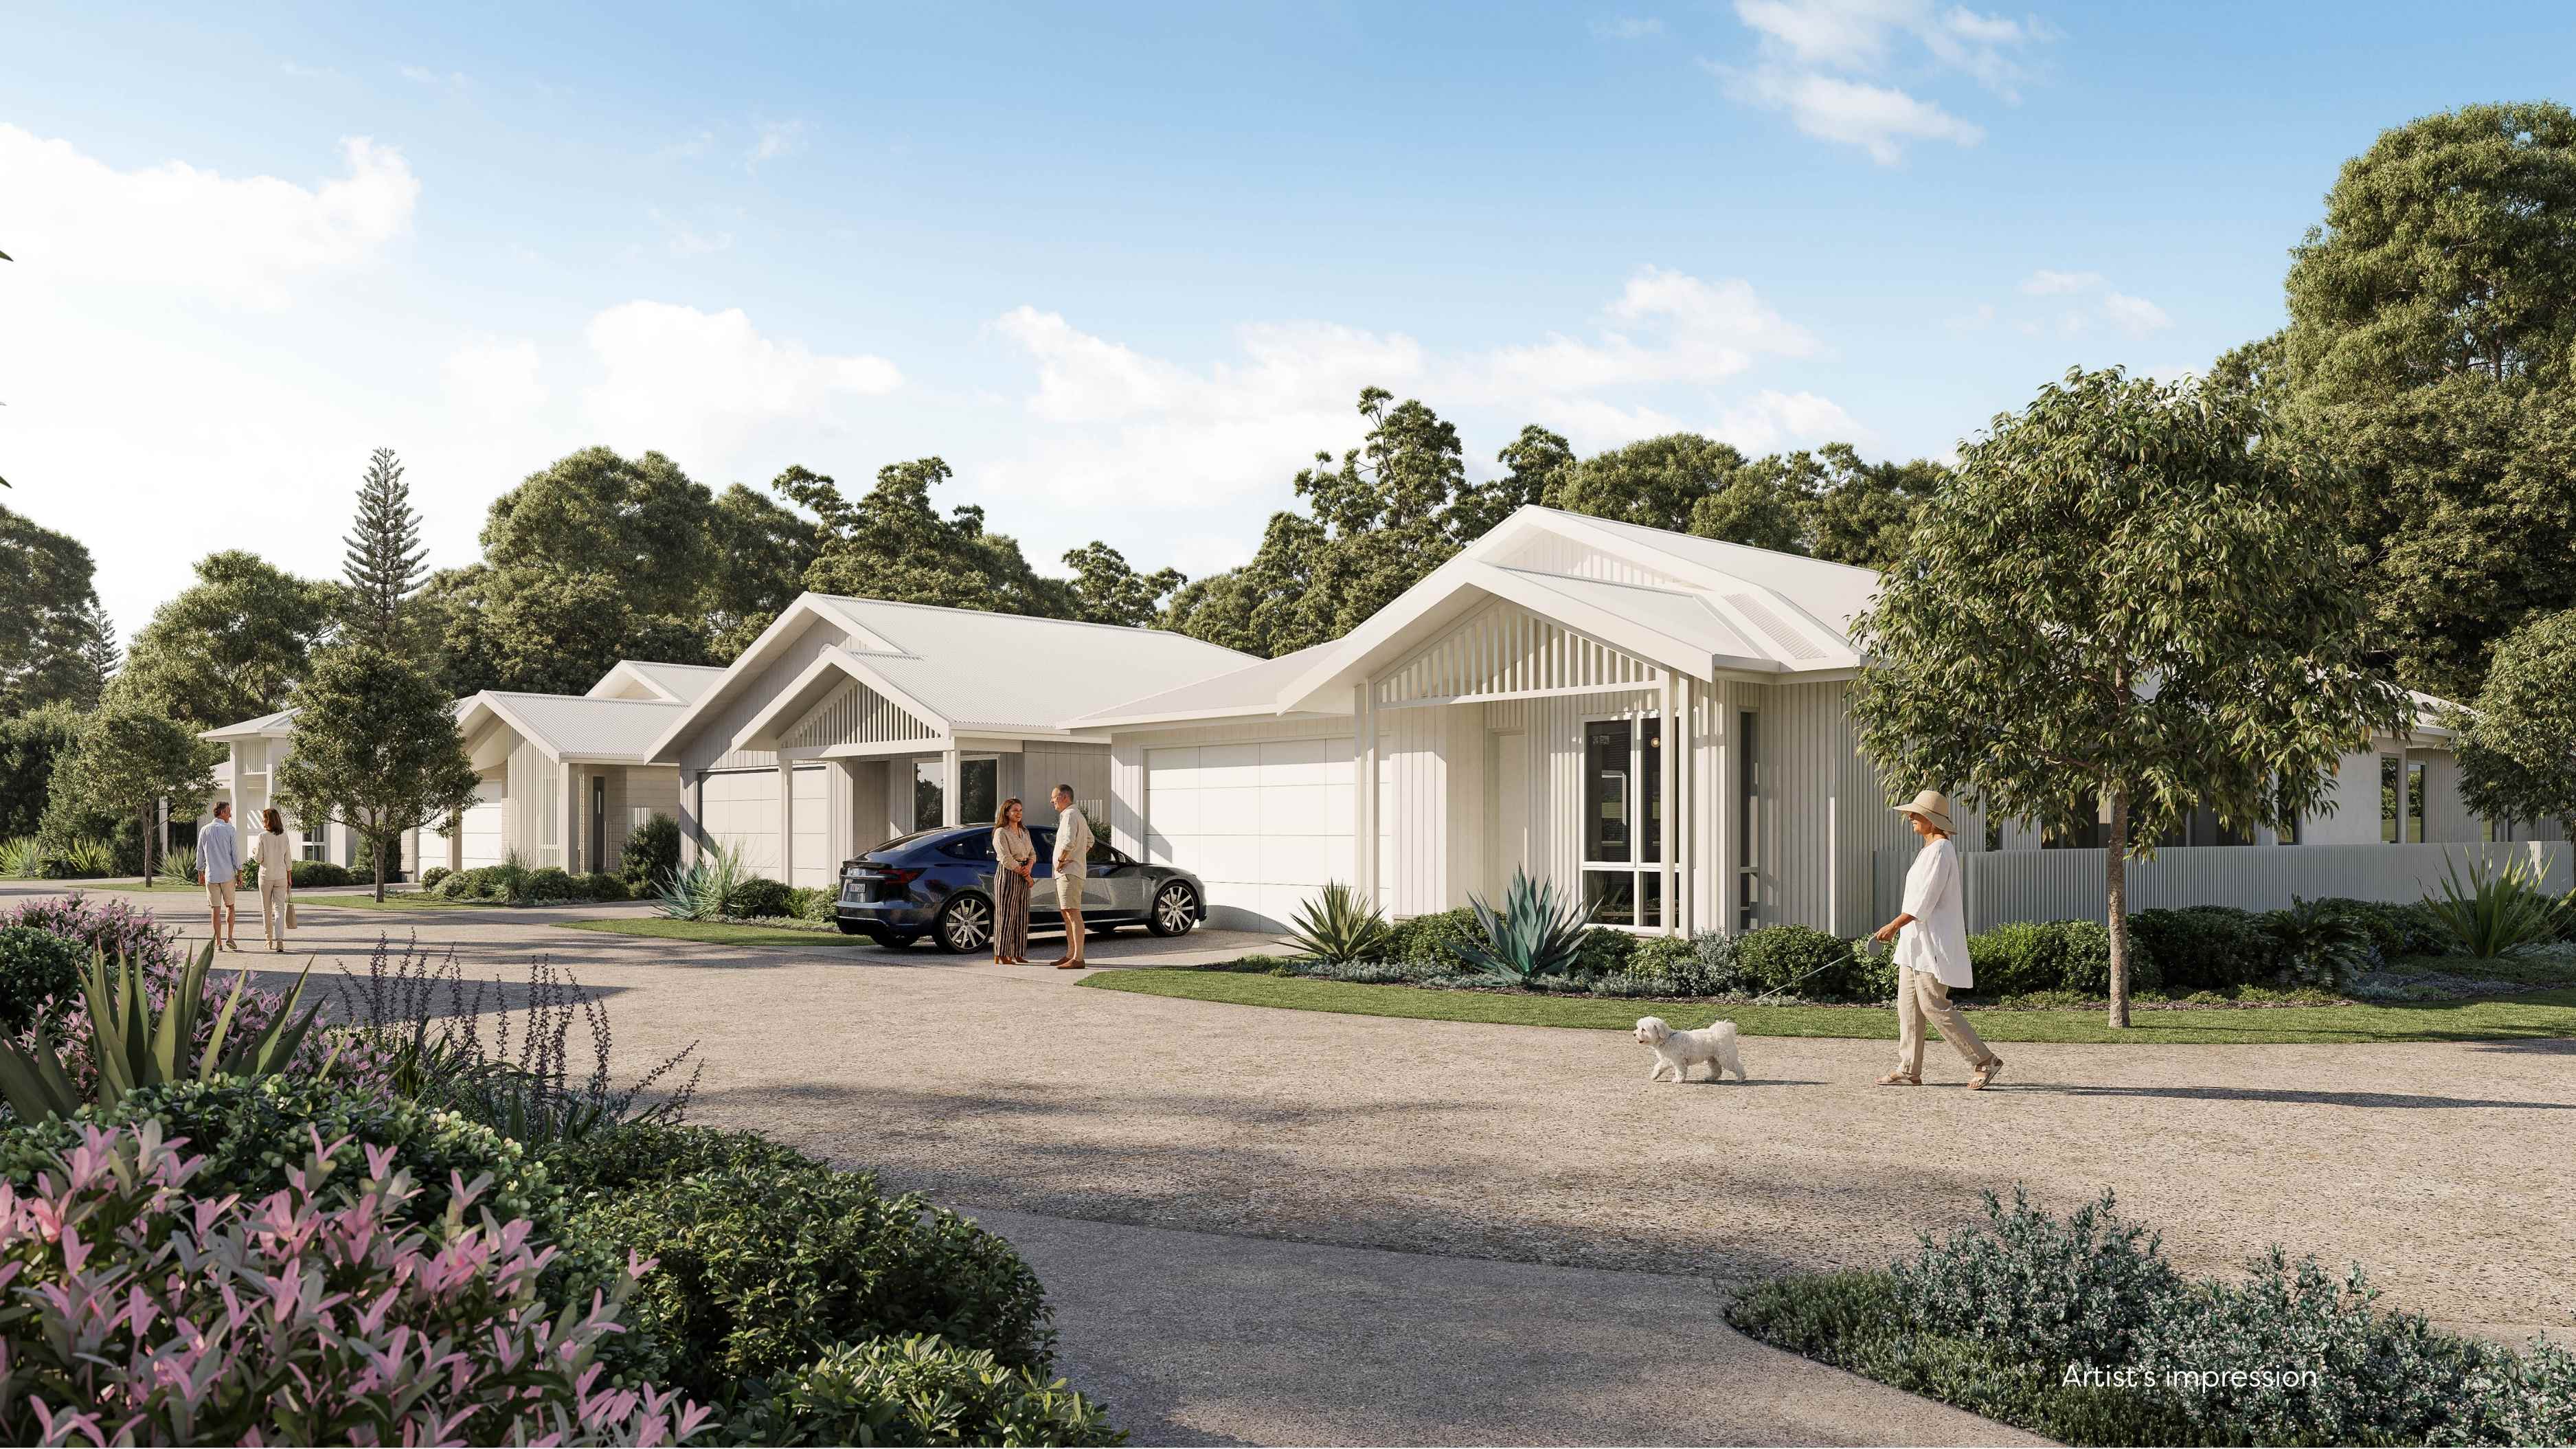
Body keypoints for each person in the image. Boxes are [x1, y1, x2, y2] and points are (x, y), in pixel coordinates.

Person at [1871, 789, 2004, 1090]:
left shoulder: (1942, 850)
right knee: (1908, 1006)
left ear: (1932, 820)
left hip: (1931, 946)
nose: (1910, 818)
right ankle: (1908, 1070)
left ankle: (1984, 1060)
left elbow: (1923, 902)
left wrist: (1893, 926)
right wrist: (1899, 930)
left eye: (1915, 815)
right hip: (1913, 946)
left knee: (1933, 1005)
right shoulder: (1928, 850)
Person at [1047, 783, 1092, 970]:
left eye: (1054, 798)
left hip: (1068, 872)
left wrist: (1063, 860)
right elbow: (1090, 840)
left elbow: (1068, 842)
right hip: (1069, 871)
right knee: (1067, 913)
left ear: (1064, 797)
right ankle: (1070, 954)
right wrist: (1078, 856)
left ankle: (1078, 958)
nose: (1052, 802)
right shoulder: (1075, 815)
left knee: (1073, 913)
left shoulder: (1070, 815)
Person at [992, 797, 1035, 965]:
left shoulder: (1025, 832)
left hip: (1024, 872)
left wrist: (1029, 867)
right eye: (1015, 810)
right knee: (1006, 914)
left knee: (1022, 915)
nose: (1018, 813)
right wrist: (1026, 875)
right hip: (1008, 874)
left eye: (1021, 810)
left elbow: (1032, 853)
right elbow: (1006, 858)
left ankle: (1018, 953)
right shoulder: (1001, 832)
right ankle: (1002, 953)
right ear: (1007, 812)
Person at [199, 800, 242, 952]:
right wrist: (240, 871)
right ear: (222, 812)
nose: (230, 814)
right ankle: (230, 937)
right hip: (227, 874)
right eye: (229, 811)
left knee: (215, 909)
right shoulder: (230, 829)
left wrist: (200, 871)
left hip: (211, 875)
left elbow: (200, 853)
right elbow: (235, 853)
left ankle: (219, 943)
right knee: (230, 906)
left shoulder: (204, 830)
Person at [255, 807, 294, 952]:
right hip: (281, 876)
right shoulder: (284, 836)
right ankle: (280, 941)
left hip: (266, 876)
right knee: (279, 909)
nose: (262, 821)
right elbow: (288, 859)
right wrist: (289, 877)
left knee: (266, 909)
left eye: (264, 819)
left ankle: (268, 940)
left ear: (269, 820)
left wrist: (255, 852)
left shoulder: (262, 836)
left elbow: (259, 859)